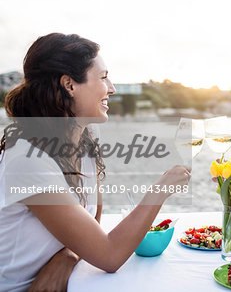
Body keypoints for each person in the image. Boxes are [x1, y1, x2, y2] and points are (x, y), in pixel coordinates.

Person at [0, 33, 191, 292]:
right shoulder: (27, 160)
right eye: (103, 77)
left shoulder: (86, 134)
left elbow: (93, 219)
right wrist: (160, 190)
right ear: (69, 84)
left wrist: (68, 256)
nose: (111, 88)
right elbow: (109, 255)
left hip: (70, 281)